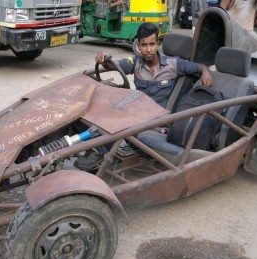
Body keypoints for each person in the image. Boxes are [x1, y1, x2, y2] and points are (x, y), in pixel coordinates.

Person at [74, 22, 213, 171]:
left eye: (152, 44)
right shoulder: (135, 63)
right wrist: (104, 59)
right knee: (101, 111)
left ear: (157, 44)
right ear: (138, 46)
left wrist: (205, 73)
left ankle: (99, 153)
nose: (148, 49)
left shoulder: (174, 64)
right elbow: (113, 66)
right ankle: (93, 149)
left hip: (159, 119)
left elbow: (200, 67)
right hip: (137, 113)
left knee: (114, 120)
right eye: (144, 45)